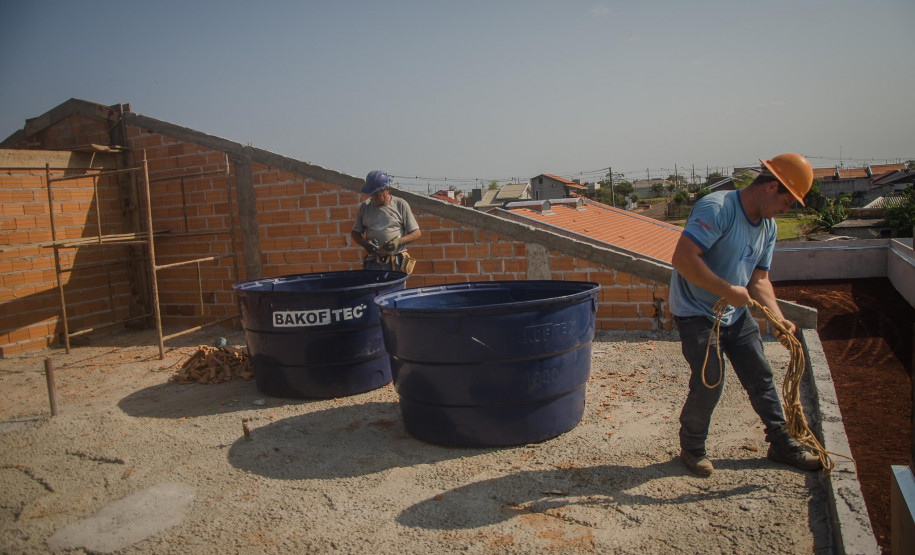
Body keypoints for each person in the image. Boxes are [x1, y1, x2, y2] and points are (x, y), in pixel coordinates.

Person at [669, 153, 822, 476]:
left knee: (760, 374)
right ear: (770, 186)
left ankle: (781, 443)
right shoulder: (718, 208)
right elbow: (683, 258)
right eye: (788, 200)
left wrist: (777, 319)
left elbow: (758, 280)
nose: (787, 208)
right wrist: (726, 289)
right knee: (710, 382)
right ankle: (692, 448)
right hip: (697, 312)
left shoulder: (768, 227)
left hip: (735, 314)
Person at [350, 170, 421, 272]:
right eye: (371, 194)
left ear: (387, 189)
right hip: (373, 263)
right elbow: (355, 233)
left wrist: (399, 242)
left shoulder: (400, 205)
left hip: (395, 263)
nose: (373, 197)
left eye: (377, 194)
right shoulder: (365, 207)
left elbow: (416, 233)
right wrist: (365, 244)